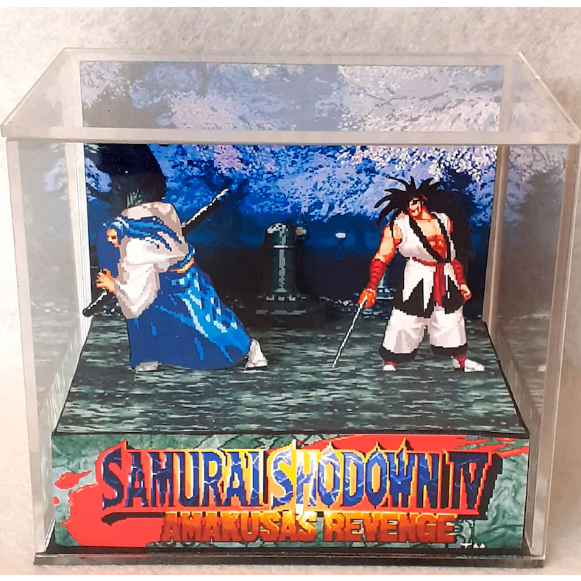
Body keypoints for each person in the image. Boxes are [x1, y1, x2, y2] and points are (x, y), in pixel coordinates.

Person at [95, 200, 268, 372]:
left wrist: (115, 286)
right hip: (165, 290)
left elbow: (136, 289)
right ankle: (148, 358)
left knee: (209, 323)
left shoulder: (138, 247)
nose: (112, 242)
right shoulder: (141, 238)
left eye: (113, 237)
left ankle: (250, 349)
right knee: (152, 320)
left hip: (186, 287)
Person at [359, 177, 484, 373]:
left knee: (451, 318)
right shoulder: (398, 227)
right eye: (408, 205)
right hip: (418, 274)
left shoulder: (443, 220)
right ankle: (391, 362)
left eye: (415, 202)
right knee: (405, 319)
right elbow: (382, 257)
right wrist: (371, 287)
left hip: (446, 274)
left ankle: (460, 360)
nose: (413, 207)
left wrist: (461, 282)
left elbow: (451, 255)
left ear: (422, 199)